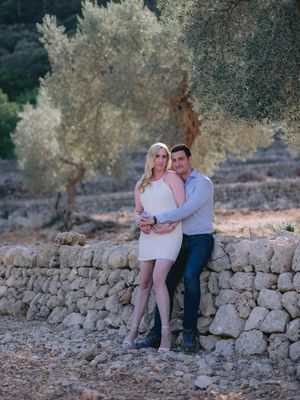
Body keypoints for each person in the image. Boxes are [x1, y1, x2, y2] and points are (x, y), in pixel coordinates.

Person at [136, 143, 214, 353]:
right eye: (175, 160)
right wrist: (143, 219)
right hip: (179, 239)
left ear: (190, 159)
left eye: (181, 159)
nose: (178, 163)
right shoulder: (173, 181)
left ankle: (189, 334)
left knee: (190, 276)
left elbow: (186, 210)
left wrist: (155, 219)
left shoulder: (203, 183)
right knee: (164, 280)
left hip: (200, 239)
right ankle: (155, 334)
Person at [122, 143, 185, 353]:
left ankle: (166, 333)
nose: (161, 160)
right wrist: (140, 222)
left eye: (164, 156)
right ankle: (133, 331)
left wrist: (170, 227)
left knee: (159, 277)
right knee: (144, 283)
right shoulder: (141, 184)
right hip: (148, 237)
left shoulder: (172, 178)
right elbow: (138, 211)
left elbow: (182, 207)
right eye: (157, 156)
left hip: (170, 235)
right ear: (150, 158)